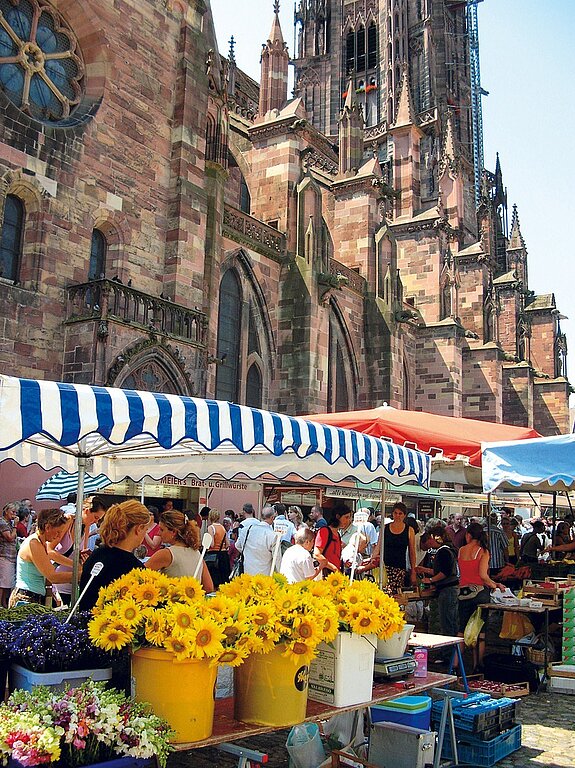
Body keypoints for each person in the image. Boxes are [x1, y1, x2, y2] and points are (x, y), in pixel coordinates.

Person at [78, 500, 149, 612]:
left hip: (85, 624)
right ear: (138, 529)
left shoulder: (96, 555)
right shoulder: (134, 568)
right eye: (145, 530)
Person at [458, 522, 506, 671]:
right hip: (479, 594)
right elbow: (483, 576)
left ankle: (455, 665)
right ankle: (477, 665)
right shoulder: (483, 551)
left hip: (463, 593)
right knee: (480, 633)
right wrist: (495, 585)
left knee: (461, 632)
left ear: (469, 535)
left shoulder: (461, 550)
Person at [50, 495, 108, 605]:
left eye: (99, 519)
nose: (96, 522)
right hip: (57, 584)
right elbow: (49, 551)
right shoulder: (68, 521)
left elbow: (82, 553)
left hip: (73, 584)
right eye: (95, 517)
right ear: (86, 511)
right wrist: (75, 564)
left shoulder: (86, 527)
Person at [9, 508, 72, 607]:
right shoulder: (34, 544)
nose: (59, 536)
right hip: (25, 599)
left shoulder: (42, 543)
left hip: (34, 597)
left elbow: (48, 576)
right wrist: (80, 574)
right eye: (58, 532)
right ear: (47, 527)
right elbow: (52, 576)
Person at [146, 510, 213, 591]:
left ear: (173, 532)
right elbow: (209, 587)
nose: (159, 533)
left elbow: (139, 577)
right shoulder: (197, 553)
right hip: (194, 601)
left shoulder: (166, 554)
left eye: (162, 529)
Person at [420, 525, 460, 655]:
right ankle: (453, 654)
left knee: (447, 624)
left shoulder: (443, 551)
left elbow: (444, 572)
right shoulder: (448, 550)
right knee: (451, 623)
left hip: (447, 590)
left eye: (431, 538)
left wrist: (430, 580)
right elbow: (441, 570)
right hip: (450, 589)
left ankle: (447, 655)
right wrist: (424, 570)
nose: (430, 542)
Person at [382, 502, 417, 595]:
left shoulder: (409, 530)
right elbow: (379, 546)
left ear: (404, 515)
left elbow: (412, 552)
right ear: (392, 514)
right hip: (385, 567)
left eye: (400, 513)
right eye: (395, 513)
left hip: (400, 569)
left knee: (397, 595)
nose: (397, 516)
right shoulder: (385, 528)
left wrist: (413, 570)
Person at [236, 505, 278, 575]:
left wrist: (247, 552)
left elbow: (238, 546)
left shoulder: (245, 530)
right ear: (272, 518)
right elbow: (277, 559)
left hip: (247, 572)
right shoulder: (273, 535)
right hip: (265, 574)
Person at [314, 505, 349, 576]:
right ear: (338, 516)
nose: (348, 520)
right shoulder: (324, 531)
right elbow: (317, 554)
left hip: (335, 575)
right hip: (326, 575)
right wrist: (334, 568)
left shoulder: (337, 534)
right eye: (346, 517)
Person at [0, 503, 18, 607]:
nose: (14, 514)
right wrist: (15, 526)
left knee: (8, 583)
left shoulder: (9, 523)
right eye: (13, 512)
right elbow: (10, 537)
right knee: (3, 583)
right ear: (6, 511)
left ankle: (3, 603)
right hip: (4, 556)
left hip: (10, 556)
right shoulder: (2, 522)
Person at [206, 508, 229, 588]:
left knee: (214, 579)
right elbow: (228, 544)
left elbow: (211, 544)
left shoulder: (211, 528)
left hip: (214, 556)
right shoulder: (223, 528)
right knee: (223, 580)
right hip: (223, 555)